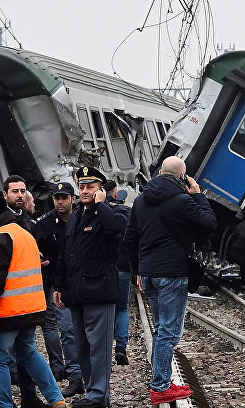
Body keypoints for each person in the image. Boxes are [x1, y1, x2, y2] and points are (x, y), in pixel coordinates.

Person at [125, 156, 216, 405]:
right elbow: (209, 224)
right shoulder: (183, 200)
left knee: (160, 329)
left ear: (159, 173)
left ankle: (163, 379)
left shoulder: (141, 200)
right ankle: (161, 386)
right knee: (168, 332)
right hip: (172, 273)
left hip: (149, 273)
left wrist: (138, 272)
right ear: (182, 176)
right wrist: (198, 194)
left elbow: (130, 239)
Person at [0, 190, 66, 408]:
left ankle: (2, 405)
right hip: (30, 309)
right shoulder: (23, 232)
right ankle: (56, 399)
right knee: (27, 352)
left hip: (6, 312)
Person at [53, 166, 126, 408]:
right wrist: (59, 285)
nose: (85, 191)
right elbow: (66, 254)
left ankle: (99, 396)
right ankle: (91, 390)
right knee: (82, 346)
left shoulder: (112, 212)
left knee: (99, 347)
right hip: (76, 292)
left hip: (99, 290)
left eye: (90, 187)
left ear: (101, 190)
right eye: (82, 187)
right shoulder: (74, 217)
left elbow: (116, 230)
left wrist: (101, 205)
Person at [34, 182, 84, 397]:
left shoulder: (83, 218)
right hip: (58, 282)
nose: (60, 202)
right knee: (67, 329)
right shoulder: (45, 224)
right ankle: (74, 375)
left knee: (85, 329)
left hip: (83, 281)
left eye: (64, 197)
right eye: (57, 198)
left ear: (73, 199)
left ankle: (87, 373)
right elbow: (33, 245)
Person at [102, 181, 131, 367]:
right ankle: (121, 347)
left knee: (104, 309)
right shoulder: (125, 212)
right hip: (123, 267)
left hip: (103, 268)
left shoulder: (94, 213)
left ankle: (103, 349)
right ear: (115, 193)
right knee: (122, 308)